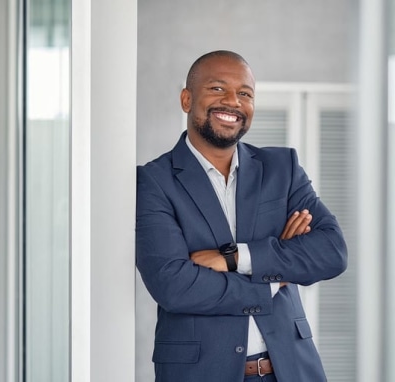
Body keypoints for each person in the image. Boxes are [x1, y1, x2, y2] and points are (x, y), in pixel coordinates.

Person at [136, 50, 347, 382]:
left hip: (291, 369)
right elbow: (174, 286)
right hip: (202, 373)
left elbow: (331, 252)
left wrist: (236, 258)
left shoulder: (282, 169)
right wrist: (275, 275)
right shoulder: (154, 182)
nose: (232, 101)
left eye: (245, 93)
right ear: (186, 99)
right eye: (218, 89)